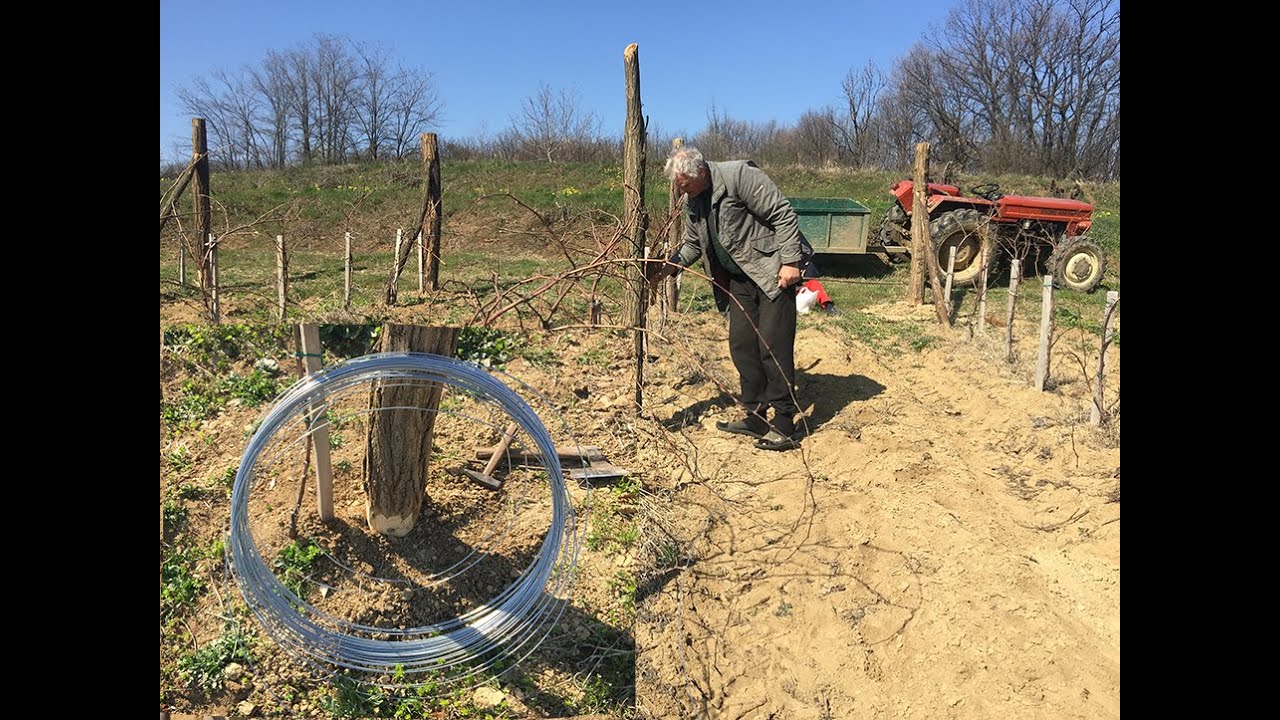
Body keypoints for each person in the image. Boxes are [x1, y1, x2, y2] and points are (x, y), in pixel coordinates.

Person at [651, 146, 810, 451]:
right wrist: (671, 266)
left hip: (771, 274)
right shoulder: (694, 200)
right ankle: (755, 415)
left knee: (772, 348)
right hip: (738, 281)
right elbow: (693, 243)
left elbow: (783, 213)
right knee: (742, 346)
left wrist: (792, 261)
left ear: (701, 172)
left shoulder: (739, 176)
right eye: (678, 185)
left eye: (684, 184)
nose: (680, 190)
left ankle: (785, 423)